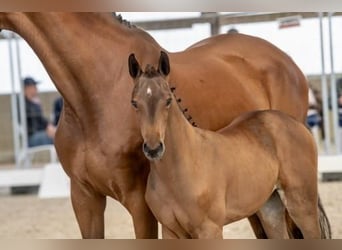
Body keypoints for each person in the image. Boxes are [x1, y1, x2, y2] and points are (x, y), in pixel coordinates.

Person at [23, 76, 56, 147]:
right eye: (34, 87)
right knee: (56, 137)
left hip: (40, 133)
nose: (36, 89)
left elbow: (41, 119)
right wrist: (47, 127)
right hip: (31, 137)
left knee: (58, 134)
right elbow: (36, 119)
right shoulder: (22, 104)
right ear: (27, 88)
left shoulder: (33, 103)